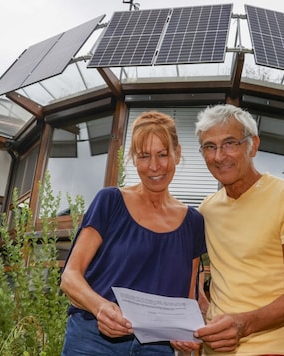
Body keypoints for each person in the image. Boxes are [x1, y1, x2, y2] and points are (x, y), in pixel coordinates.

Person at [176, 104, 284, 355]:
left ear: (253, 144)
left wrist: (243, 324)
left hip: (275, 349)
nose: (219, 156)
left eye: (230, 143)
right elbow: (199, 285)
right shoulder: (206, 210)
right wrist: (190, 325)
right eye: (209, 147)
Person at [60, 111, 207, 356]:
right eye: (144, 156)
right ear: (133, 158)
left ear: (177, 154)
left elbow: (188, 298)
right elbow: (70, 277)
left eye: (162, 154)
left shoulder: (193, 222)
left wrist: (186, 335)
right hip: (92, 339)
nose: (154, 166)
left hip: (157, 349)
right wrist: (101, 308)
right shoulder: (109, 202)